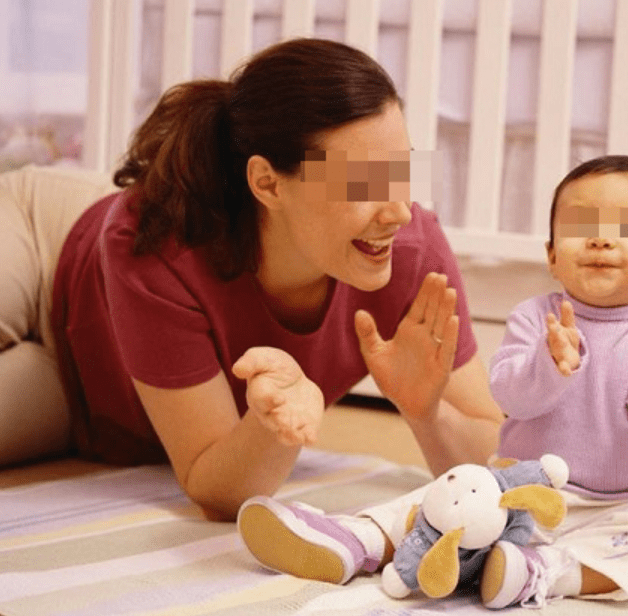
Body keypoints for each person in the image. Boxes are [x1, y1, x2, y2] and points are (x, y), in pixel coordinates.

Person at [0, 38, 503, 521]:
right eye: (362, 181)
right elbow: (212, 491)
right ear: (267, 182)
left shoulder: (410, 254)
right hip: (48, 244)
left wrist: (426, 411)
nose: (397, 210)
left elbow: (488, 456)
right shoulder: (157, 240)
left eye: (401, 172)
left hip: (85, 392)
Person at [237, 154, 628, 607]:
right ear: (551, 255)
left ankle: (544, 572)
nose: (601, 242)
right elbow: (509, 397)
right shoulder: (535, 318)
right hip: (525, 490)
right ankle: (355, 539)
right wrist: (550, 362)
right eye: (581, 228)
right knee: (452, 494)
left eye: (626, 229)